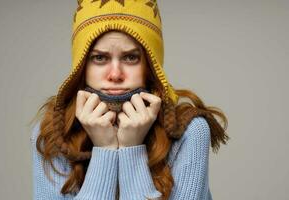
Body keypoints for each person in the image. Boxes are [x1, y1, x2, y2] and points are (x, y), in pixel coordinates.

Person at [30, 0, 229, 199]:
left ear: (151, 65)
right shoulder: (51, 133)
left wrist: (132, 150)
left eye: (130, 58)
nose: (115, 74)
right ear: (82, 67)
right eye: (99, 58)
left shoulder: (189, 131)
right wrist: (104, 150)